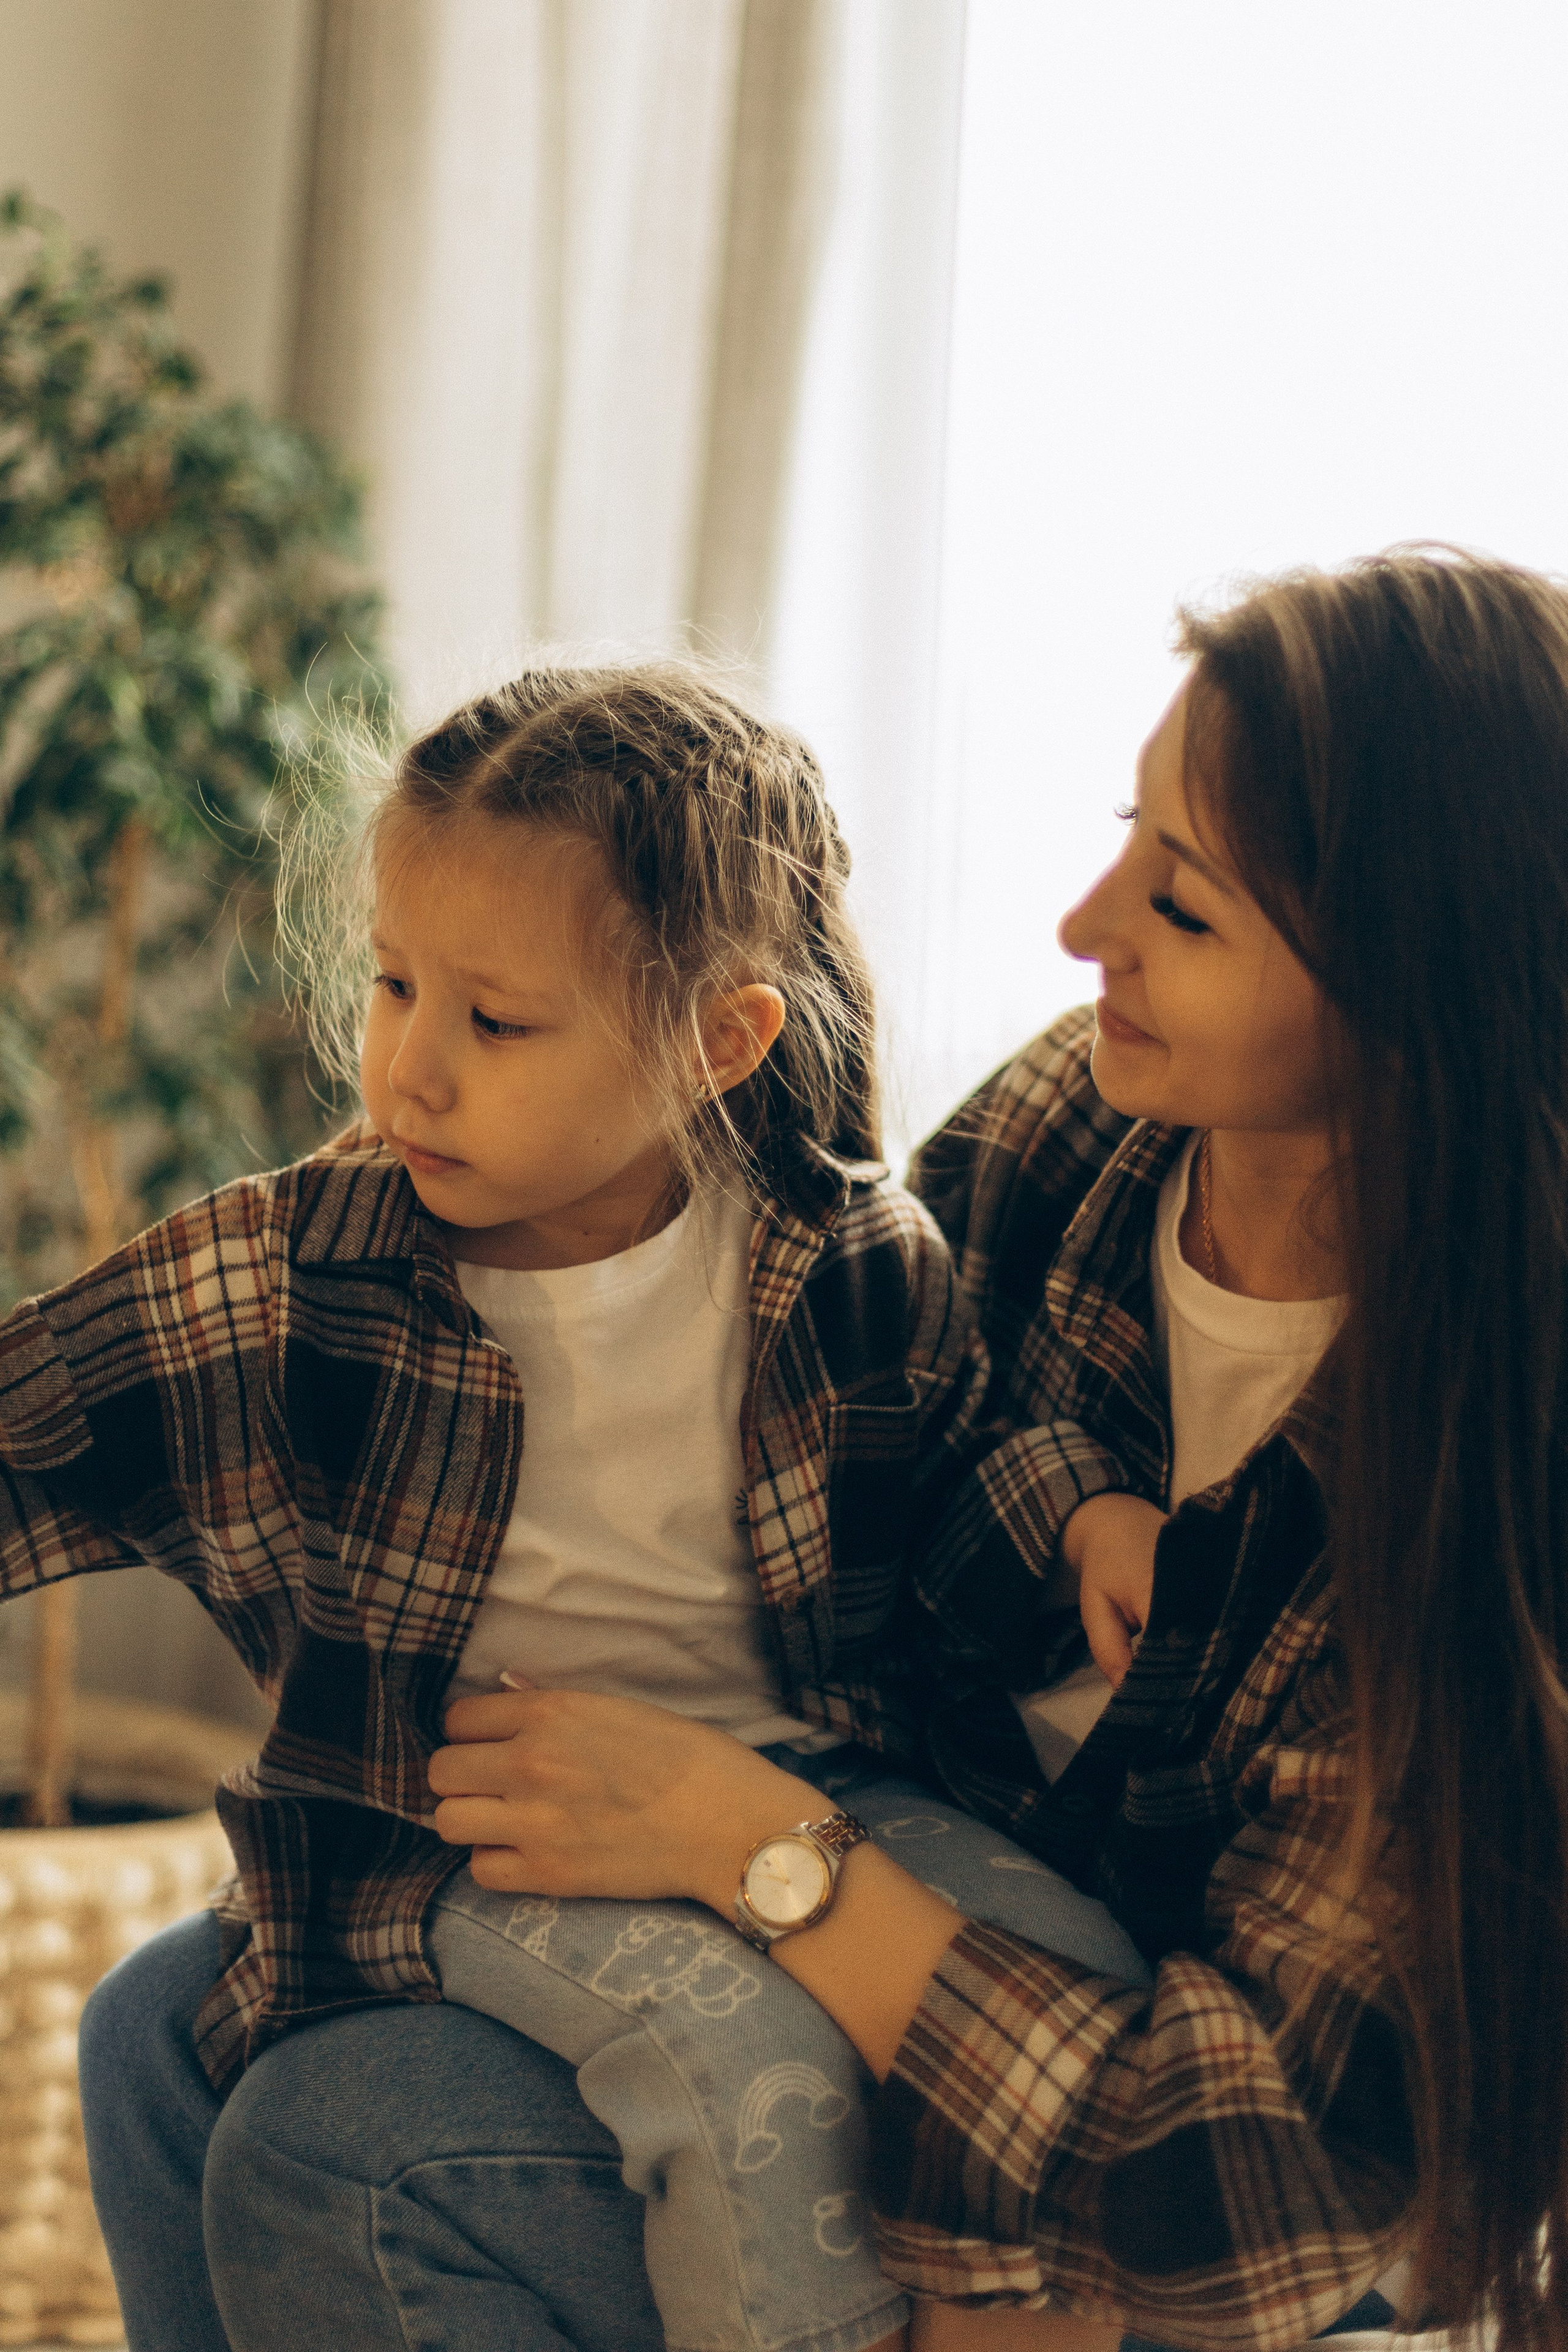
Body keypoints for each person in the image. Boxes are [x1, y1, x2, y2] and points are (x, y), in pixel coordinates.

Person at [76, 546, 1568, 2352]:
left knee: (340, 2149)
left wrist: (759, 1848)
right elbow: (889, 1420)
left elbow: (1258, 2196)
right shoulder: (1077, 1130)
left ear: (1415, 993)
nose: (1086, 926)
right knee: (170, 2029)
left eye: (1182, 906)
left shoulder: (1492, 1477)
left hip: (1193, 2158)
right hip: (923, 1875)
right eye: (1125, 835)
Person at [2, 663, 1148, 2352]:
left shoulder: (836, 1257)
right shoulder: (295, 1273)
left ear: (722, 1040)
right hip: (471, 1824)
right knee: (732, 2068)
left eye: (498, 1020)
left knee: (1072, 1978)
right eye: (396, 985)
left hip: (801, 1779)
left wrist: (1080, 1521)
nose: (413, 1068)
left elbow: (963, 1464)